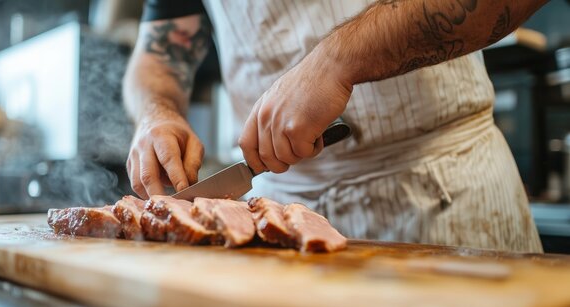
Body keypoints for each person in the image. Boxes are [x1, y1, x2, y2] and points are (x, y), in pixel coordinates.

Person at [123, 0, 549, 252]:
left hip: (450, 192)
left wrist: (336, 60)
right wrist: (156, 111)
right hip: (276, 210)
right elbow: (159, 53)